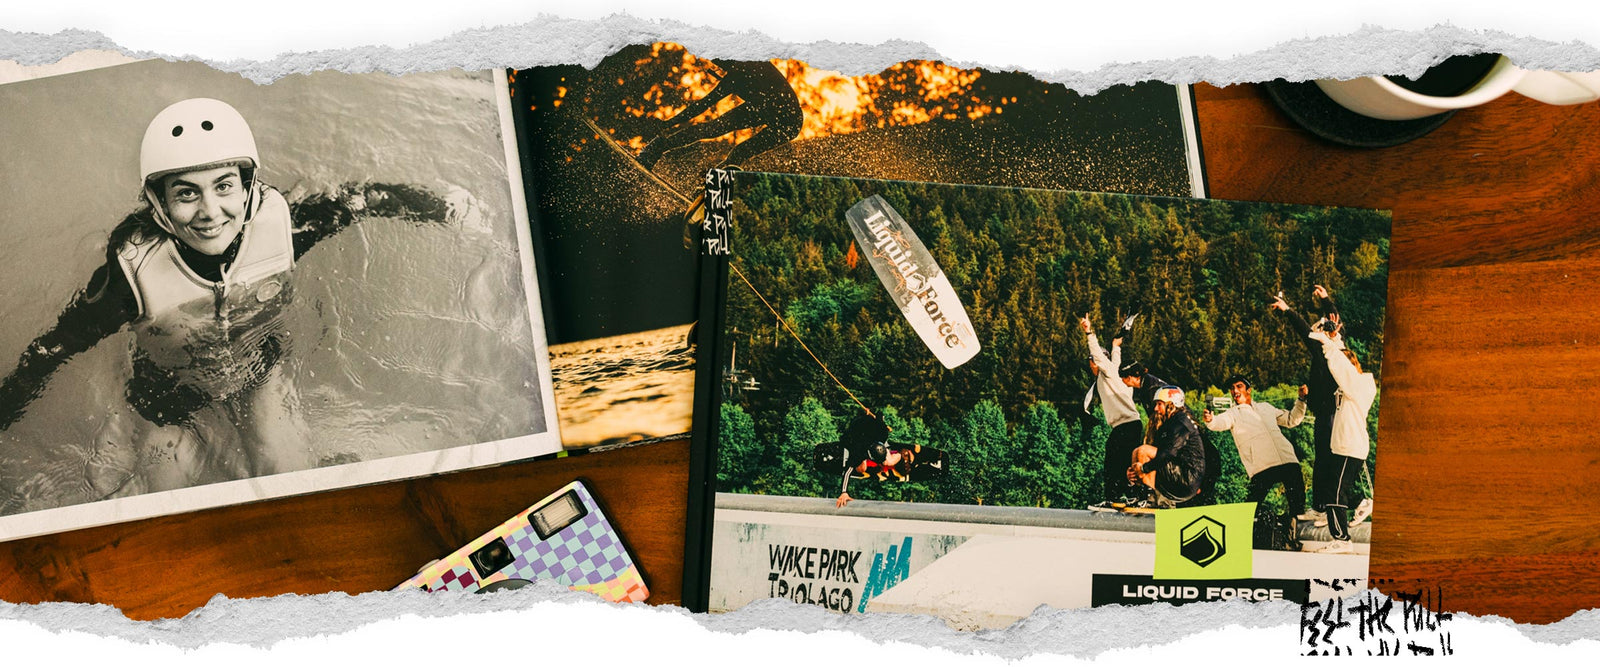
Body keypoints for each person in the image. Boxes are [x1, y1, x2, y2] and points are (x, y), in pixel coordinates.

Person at [0, 98, 457, 496]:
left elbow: (361, 201)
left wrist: (450, 209)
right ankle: (130, 427)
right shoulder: (130, 277)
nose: (210, 212)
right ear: (158, 205)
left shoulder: (284, 226)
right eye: (186, 194)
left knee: (290, 476)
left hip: (258, 370)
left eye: (223, 186)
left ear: (248, 185)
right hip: (165, 393)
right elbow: (52, 350)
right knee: (166, 499)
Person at [1269, 285, 1349, 525]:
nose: (1319, 332)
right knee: (1324, 459)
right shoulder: (1328, 347)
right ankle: (1321, 506)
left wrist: (1288, 310)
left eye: (1322, 330)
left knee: (1328, 458)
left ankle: (1326, 508)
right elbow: (1332, 321)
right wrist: (1325, 300)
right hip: (1326, 409)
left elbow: (1312, 329)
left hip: (1333, 411)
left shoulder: (1331, 349)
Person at [1204, 374, 1310, 550]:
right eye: (1232, 388)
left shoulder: (1266, 407)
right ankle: (1240, 537)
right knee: (1252, 504)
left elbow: (1292, 420)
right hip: (1262, 464)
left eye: (1239, 386)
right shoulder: (1232, 413)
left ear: (1248, 390)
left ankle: (1292, 535)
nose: (1235, 391)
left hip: (1286, 458)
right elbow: (1218, 423)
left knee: (1297, 499)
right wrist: (1210, 420)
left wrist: (1301, 400)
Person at [635, 59, 804, 170]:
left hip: (788, 121)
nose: (718, 66)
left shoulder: (745, 67)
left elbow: (702, 106)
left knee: (734, 146)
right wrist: (669, 123)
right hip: (768, 109)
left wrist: (669, 123)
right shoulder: (736, 71)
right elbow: (702, 105)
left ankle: (658, 147)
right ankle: (660, 148)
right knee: (723, 138)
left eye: (718, 61)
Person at [1307, 332, 1377, 554]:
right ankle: (1360, 502)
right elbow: (1341, 364)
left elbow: (1341, 366)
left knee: (1335, 491)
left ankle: (1342, 539)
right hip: (1343, 446)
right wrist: (1335, 340)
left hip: (1351, 446)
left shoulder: (1360, 385)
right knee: (1334, 489)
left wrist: (1327, 344)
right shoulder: (1350, 386)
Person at [813, 413, 944, 508]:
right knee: (861, 468)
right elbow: (847, 471)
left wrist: (880, 420)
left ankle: (902, 455)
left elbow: (880, 415)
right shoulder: (859, 452)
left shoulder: (882, 433)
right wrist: (844, 492)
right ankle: (885, 460)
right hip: (853, 432)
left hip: (869, 427)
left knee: (888, 462)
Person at [1080, 314, 1144, 505]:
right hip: (1129, 425)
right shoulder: (1114, 370)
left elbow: (1100, 357)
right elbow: (1115, 358)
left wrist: (1088, 332)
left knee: (1115, 462)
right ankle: (1127, 495)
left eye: (1092, 362)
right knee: (1122, 461)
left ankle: (1120, 496)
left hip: (1126, 425)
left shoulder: (1106, 371)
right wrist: (1116, 346)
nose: (1091, 365)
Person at [1127, 386, 1207, 508]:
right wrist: (1134, 473)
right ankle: (1139, 494)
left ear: (1171, 404)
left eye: (1159, 404)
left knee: (1144, 451)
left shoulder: (1180, 423)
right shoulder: (1170, 422)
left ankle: (1153, 499)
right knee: (1137, 452)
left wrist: (1143, 469)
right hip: (1178, 471)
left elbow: (1168, 454)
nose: (1155, 409)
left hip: (1187, 478)